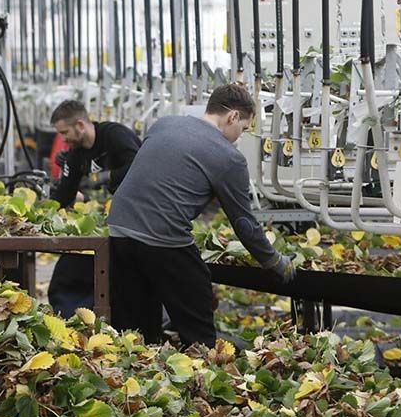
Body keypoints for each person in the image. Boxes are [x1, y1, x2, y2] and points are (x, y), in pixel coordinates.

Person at [107, 83, 295, 348]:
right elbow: (243, 223)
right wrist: (274, 261)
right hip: (161, 235)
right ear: (232, 117)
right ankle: (203, 360)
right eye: (242, 129)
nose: (239, 137)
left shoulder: (164, 124)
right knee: (196, 298)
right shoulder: (229, 157)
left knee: (134, 324)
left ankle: (137, 369)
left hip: (119, 227)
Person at [47, 100, 142, 316]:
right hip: (106, 221)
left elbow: (141, 164)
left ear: (80, 124)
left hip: (138, 216)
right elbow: (64, 193)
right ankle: (76, 313)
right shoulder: (75, 153)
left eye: (65, 132)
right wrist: (42, 214)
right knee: (72, 267)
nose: (63, 139)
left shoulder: (114, 135)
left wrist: (108, 176)